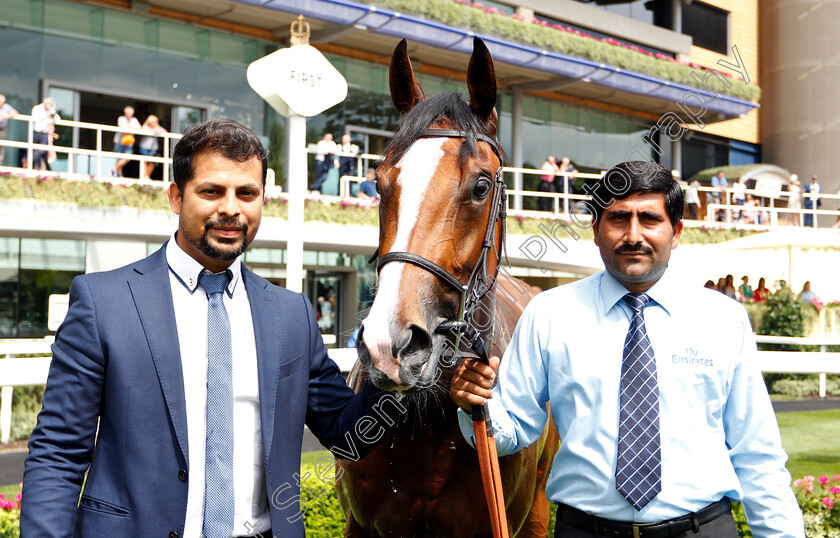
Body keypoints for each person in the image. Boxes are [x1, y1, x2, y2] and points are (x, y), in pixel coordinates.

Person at [22, 119, 395, 537]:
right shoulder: (103, 302)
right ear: (176, 197)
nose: (231, 208)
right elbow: (57, 453)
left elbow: (351, 436)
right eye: (212, 191)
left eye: (247, 193)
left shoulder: (292, 314)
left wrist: (403, 373)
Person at [450, 161, 804, 537]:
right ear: (596, 230)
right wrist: (476, 406)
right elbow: (512, 430)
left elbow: (757, 454)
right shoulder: (549, 313)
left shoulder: (723, 318)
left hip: (702, 529)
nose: (633, 235)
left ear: (677, 232)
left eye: (649, 219)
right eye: (618, 218)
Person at [30, 97, 60, 170]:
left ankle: (29, 161)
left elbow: (58, 120)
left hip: (44, 134)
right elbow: (34, 118)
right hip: (36, 132)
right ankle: (34, 165)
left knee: (42, 150)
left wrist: (53, 115)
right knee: (35, 150)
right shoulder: (37, 108)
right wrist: (45, 117)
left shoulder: (51, 110)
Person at [112, 105, 141, 177]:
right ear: (125, 112)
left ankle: (114, 169)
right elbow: (123, 129)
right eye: (127, 113)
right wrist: (132, 128)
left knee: (127, 158)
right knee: (119, 158)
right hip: (119, 142)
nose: (128, 114)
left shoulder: (134, 120)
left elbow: (139, 128)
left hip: (128, 144)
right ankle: (120, 174)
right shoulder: (121, 118)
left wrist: (130, 128)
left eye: (130, 113)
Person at [138, 114, 167, 180]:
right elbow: (141, 129)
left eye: (155, 122)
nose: (154, 123)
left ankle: (147, 176)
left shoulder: (157, 127)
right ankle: (143, 177)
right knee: (145, 162)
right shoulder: (145, 126)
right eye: (153, 122)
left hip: (153, 148)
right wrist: (153, 131)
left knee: (153, 162)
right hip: (144, 147)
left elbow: (165, 131)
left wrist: (157, 127)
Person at [0, 94, 19, 166]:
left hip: (2, 129)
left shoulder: (6, 107)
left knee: (2, 146)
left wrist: (7, 116)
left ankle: (0, 163)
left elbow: (15, 112)